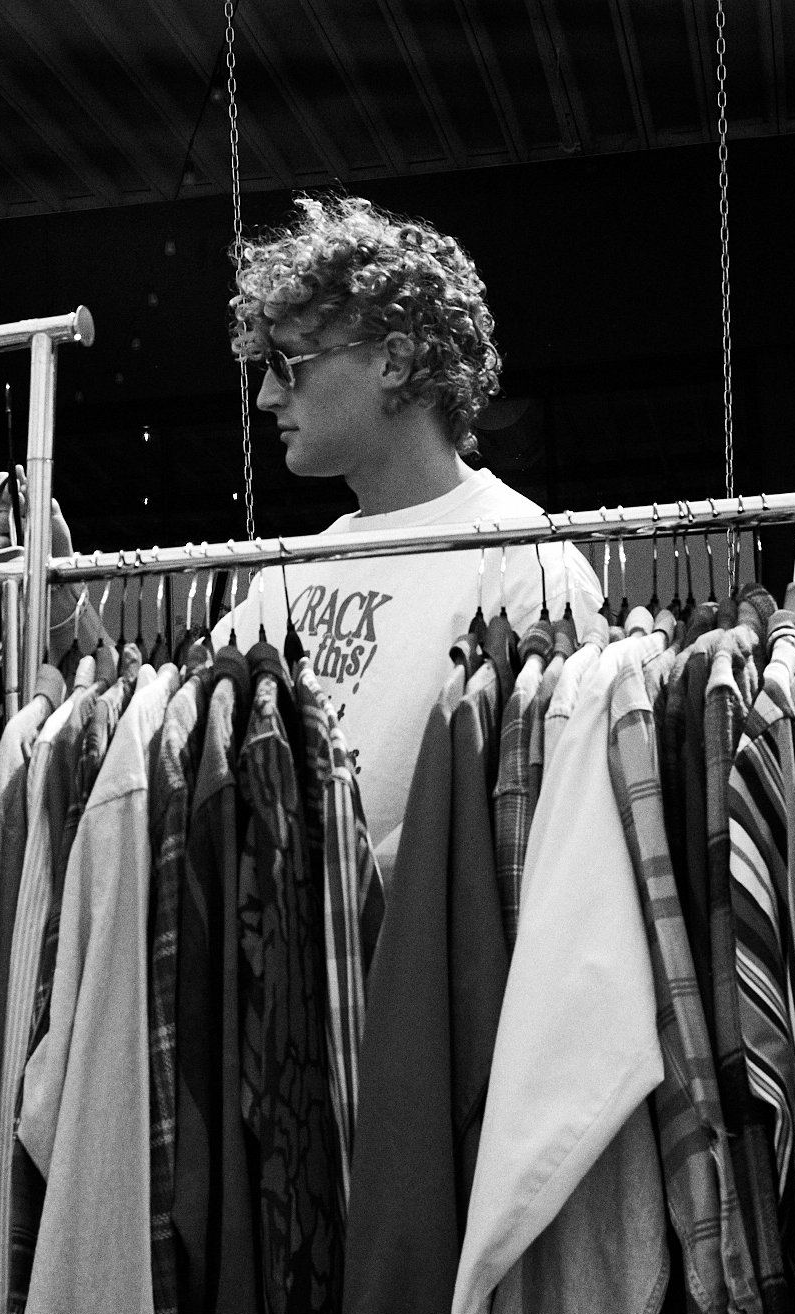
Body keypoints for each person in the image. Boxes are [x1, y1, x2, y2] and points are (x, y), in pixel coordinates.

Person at [216, 194, 604, 876]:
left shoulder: (528, 563)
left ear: (392, 361)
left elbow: (545, 840)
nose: (267, 398)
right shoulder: (286, 576)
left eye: (287, 366)